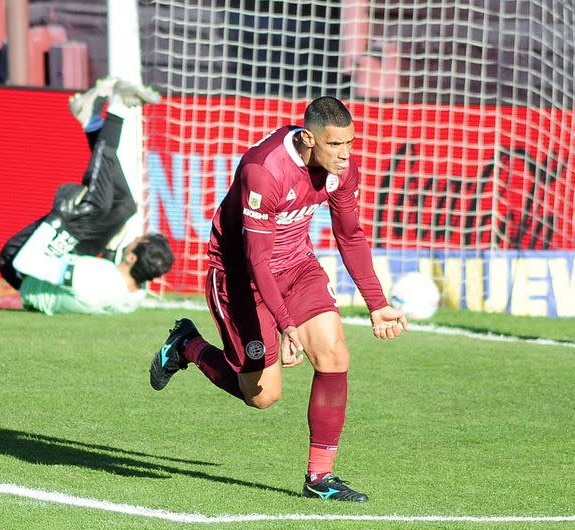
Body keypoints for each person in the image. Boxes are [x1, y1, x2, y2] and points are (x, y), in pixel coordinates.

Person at [148, 96, 409, 501]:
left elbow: (350, 236)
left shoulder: (341, 170)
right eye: (335, 146)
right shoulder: (264, 170)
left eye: (350, 144)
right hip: (240, 278)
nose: (345, 155)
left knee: (335, 355)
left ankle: (319, 479)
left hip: (298, 266)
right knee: (263, 396)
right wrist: (287, 325)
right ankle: (188, 345)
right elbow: (257, 260)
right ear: (308, 139)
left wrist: (377, 303)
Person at [0, 77, 174, 315]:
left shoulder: (91, 279)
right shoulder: (134, 295)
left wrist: (57, 218)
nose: (137, 236)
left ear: (132, 258)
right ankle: (90, 120)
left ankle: (118, 106)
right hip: (68, 261)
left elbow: (25, 262)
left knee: (97, 205)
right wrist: (111, 250)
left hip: (20, 262)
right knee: (124, 207)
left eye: (139, 240)